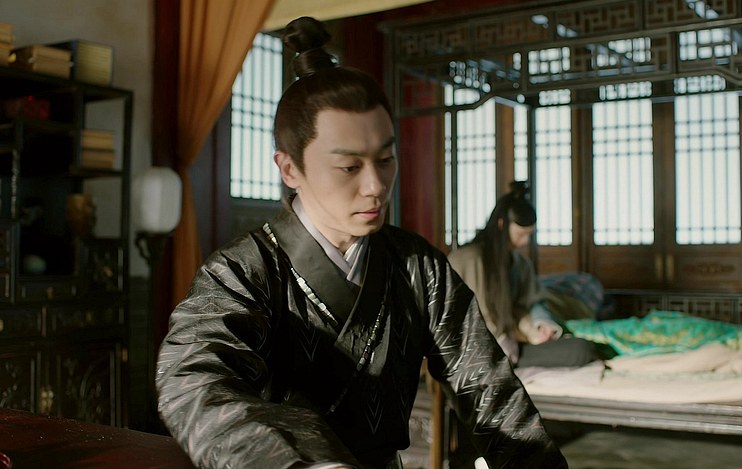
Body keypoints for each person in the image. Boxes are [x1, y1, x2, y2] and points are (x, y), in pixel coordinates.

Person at [155, 17, 567, 469]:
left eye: (386, 159)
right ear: (289, 169)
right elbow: (195, 380)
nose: (376, 186)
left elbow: (490, 390)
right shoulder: (241, 272)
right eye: (349, 167)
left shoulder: (419, 267)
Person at [448, 182, 599, 369]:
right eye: (521, 234)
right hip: (475, 347)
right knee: (580, 352)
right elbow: (455, 315)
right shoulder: (467, 259)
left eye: (529, 235)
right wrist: (497, 338)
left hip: (513, 342)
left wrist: (539, 327)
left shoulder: (521, 264)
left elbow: (529, 306)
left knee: (581, 348)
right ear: (501, 225)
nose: (525, 241)